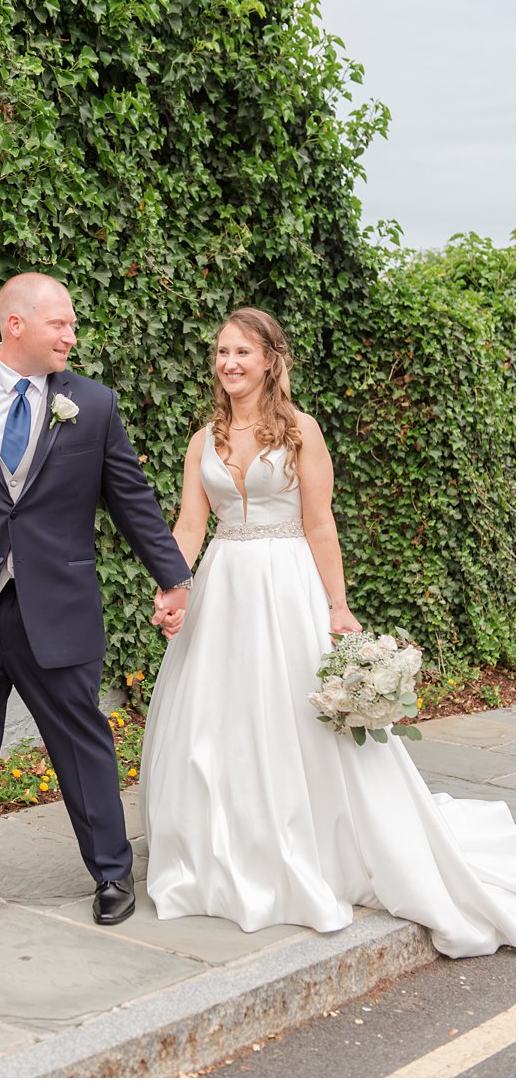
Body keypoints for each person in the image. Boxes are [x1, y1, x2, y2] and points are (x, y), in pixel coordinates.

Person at [140, 307, 515, 958]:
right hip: (223, 589)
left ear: (269, 360)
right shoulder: (203, 439)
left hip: (288, 588)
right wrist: (173, 584)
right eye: (222, 352)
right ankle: (227, 854)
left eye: (242, 353)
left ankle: (315, 845)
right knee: (216, 721)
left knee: (298, 720)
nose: (229, 363)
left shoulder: (301, 431)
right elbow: (189, 526)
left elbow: (320, 525)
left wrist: (338, 606)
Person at [0, 272, 193, 927]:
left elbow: (132, 501)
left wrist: (174, 578)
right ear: (15, 324)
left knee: (82, 744)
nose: (71, 336)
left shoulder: (94, 404)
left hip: (54, 606)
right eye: (61, 324)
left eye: (73, 325)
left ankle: (111, 873)